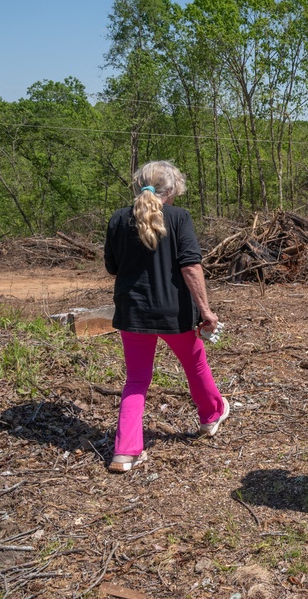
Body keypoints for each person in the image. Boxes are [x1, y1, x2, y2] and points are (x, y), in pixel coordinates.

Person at [104, 161, 229, 473]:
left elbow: (112, 267)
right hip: (173, 313)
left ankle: (125, 452)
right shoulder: (179, 217)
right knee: (194, 364)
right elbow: (190, 267)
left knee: (136, 380)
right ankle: (211, 415)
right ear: (171, 190)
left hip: (132, 312)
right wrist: (206, 311)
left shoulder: (119, 218)